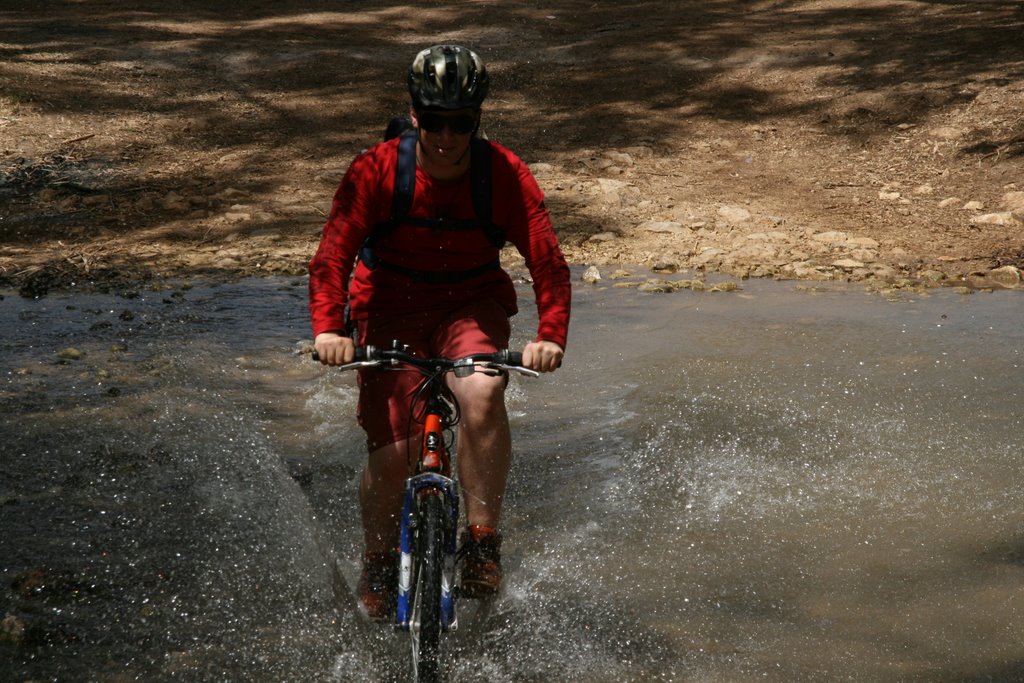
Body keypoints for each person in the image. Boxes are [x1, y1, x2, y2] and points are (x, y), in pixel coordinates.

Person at [308, 44, 571, 620]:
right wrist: (331, 329)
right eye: (433, 121)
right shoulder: (375, 170)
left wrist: (550, 334)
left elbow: (547, 263)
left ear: (477, 118)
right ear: (414, 113)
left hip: (470, 304)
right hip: (389, 305)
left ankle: (481, 542)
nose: (447, 136)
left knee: (481, 391)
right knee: (393, 456)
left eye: (461, 123)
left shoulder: (503, 173)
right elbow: (332, 258)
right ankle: (379, 562)